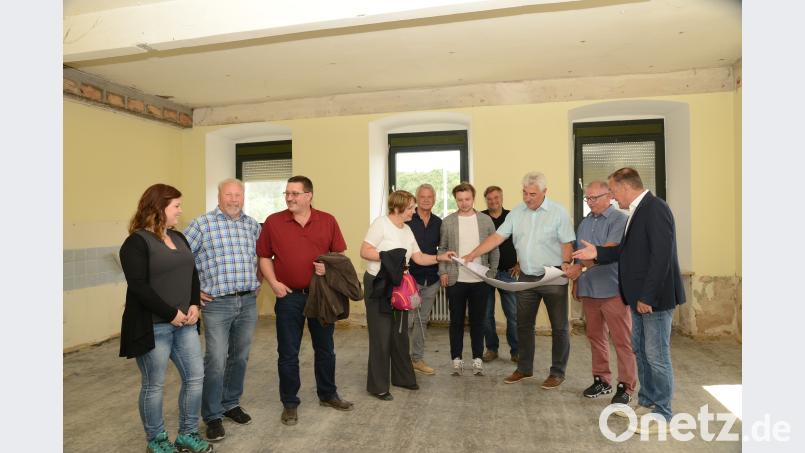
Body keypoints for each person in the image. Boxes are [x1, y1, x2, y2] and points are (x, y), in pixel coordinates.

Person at [573, 167, 686, 434]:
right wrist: (597, 252)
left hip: (653, 299)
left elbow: (661, 256)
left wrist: (647, 295)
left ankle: (663, 413)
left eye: (612, 190)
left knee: (657, 356)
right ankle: (647, 402)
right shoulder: (636, 210)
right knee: (643, 353)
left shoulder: (655, 208)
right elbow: (626, 251)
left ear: (625, 187)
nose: (612, 196)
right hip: (636, 298)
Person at [119, 183, 213, 453]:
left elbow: (191, 274)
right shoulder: (136, 243)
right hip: (154, 327)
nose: (180, 211)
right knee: (154, 385)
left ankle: (187, 434)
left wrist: (194, 303)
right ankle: (157, 440)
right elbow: (139, 287)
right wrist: (170, 313)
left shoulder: (179, 237)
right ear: (159, 208)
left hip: (185, 324)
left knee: (195, 378)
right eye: (176, 206)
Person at [463, 172, 575, 390]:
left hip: (553, 276)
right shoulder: (517, 213)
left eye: (532, 194)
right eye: (524, 192)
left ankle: (557, 372)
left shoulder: (558, 212)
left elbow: (567, 242)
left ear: (544, 192)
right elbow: (497, 237)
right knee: (523, 325)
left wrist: (566, 263)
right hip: (526, 278)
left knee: (559, 328)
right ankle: (524, 368)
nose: (527, 197)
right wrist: (472, 254)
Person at [256, 175, 354, 426]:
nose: (289, 197)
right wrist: (274, 284)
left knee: (325, 349)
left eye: (295, 193)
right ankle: (289, 403)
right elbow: (264, 256)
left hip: (321, 297)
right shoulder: (273, 222)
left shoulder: (327, 220)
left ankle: (328, 394)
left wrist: (328, 269)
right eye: (287, 193)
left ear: (309, 196)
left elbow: (339, 256)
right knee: (287, 353)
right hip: (288, 298)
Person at [184, 178, 261, 442]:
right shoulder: (201, 224)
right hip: (216, 304)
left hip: (248, 301)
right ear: (219, 196)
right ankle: (212, 415)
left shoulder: (252, 225)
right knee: (216, 359)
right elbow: (180, 259)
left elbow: (262, 257)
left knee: (240, 357)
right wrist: (192, 292)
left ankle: (230, 403)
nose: (234, 200)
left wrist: (259, 280)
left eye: (238, 195)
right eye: (229, 195)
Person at [360, 190, 455, 400]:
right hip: (378, 285)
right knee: (381, 336)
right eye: (411, 208)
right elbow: (365, 251)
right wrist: (390, 258)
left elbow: (419, 258)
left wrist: (441, 257)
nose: (414, 211)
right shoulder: (381, 224)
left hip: (398, 286)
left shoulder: (407, 230)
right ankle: (378, 386)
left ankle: (402, 378)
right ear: (398, 208)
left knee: (400, 334)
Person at [566, 181, 636, 406]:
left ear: (609, 196)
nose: (590, 202)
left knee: (622, 341)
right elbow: (578, 255)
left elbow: (609, 250)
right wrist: (577, 282)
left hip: (613, 290)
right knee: (595, 338)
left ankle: (626, 386)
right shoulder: (584, 223)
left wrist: (580, 267)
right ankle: (602, 379)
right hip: (589, 290)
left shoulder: (620, 220)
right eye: (588, 198)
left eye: (595, 198)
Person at [439, 182, 499, 376]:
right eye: (459, 200)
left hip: (480, 280)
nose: (464, 203)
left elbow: (494, 248)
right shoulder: (448, 221)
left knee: (478, 321)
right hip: (456, 280)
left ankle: (477, 358)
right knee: (455, 321)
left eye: (467, 199)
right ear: (455, 200)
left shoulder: (485, 220)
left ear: (473, 198)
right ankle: (456, 359)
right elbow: (442, 249)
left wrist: (492, 273)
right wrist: (443, 272)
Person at [405, 184, 443, 376]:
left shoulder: (439, 222)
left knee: (422, 321)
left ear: (434, 199)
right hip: (411, 280)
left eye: (430, 197)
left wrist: (443, 272)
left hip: (432, 279)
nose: (426, 200)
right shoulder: (408, 220)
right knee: (408, 320)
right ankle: (401, 359)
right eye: (422, 196)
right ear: (417, 199)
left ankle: (417, 359)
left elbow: (442, 250)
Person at [480, 185, 519, 363]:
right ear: (486, 201)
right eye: (489, 199)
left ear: (501, 198)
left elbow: (523, 241)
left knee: (513, 314)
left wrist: (520, 263)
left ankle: (516, 351)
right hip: (486, 273)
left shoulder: (512, 217)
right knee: (486, 315)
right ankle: (492, 349)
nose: (493, 201)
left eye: (496, 198)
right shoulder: (480, 218)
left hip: (508, 272)